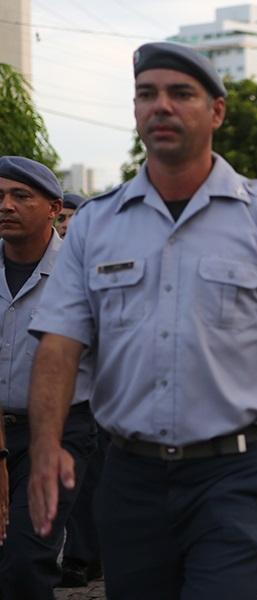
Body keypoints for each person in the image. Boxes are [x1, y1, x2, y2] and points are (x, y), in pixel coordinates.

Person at [26, 42, 257, 600]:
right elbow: (60, 345)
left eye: (180, 93)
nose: (160, 106)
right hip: (131, 477)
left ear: (216, 111)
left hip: (233, 477)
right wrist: (46, 447)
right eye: (146, 94)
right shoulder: (95, 224)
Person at [0, 156, 96, 599]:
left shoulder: (83, 275)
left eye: (21, 196)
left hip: (59, 434)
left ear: (55, 208)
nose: (6, 206)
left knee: (26, 558)